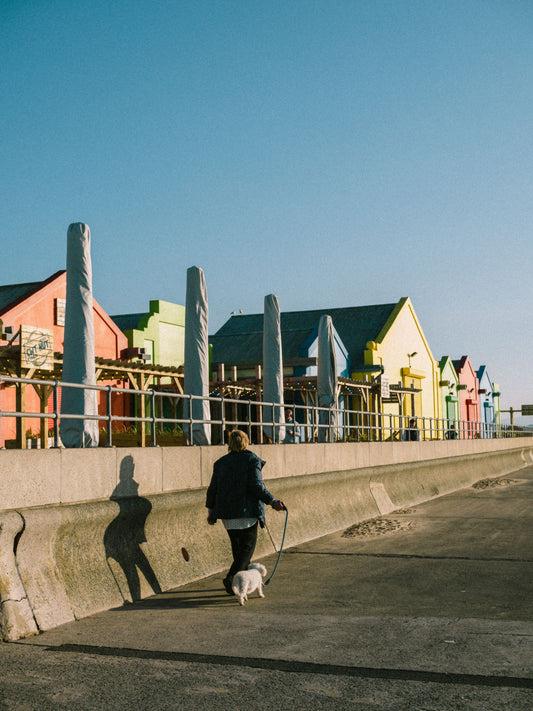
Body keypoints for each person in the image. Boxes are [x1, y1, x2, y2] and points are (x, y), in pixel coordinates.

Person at [206, 429, 285, 595]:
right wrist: (273, 501)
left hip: (228, 516)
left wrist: (211, 512)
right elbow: (257, 487)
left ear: (229, 444)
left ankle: (242, 583)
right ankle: (230, 580)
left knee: (239, 552)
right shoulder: (252, 459)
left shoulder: (220, 463)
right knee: (246, 551)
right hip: (247, 514)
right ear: (246, 442)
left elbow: (212, 490)